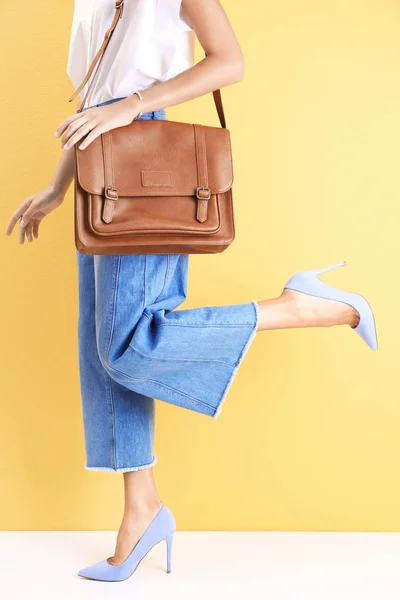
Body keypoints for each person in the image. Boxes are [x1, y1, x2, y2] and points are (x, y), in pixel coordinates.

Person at [4, 0, 377, 583]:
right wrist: (57, 186)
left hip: (146, 151)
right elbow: (94, 100)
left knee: (126, 345)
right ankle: (140, 510)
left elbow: (228, 62)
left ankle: (297, 306)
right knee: (101, 356)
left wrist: (131, 108)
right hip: (101, 160)